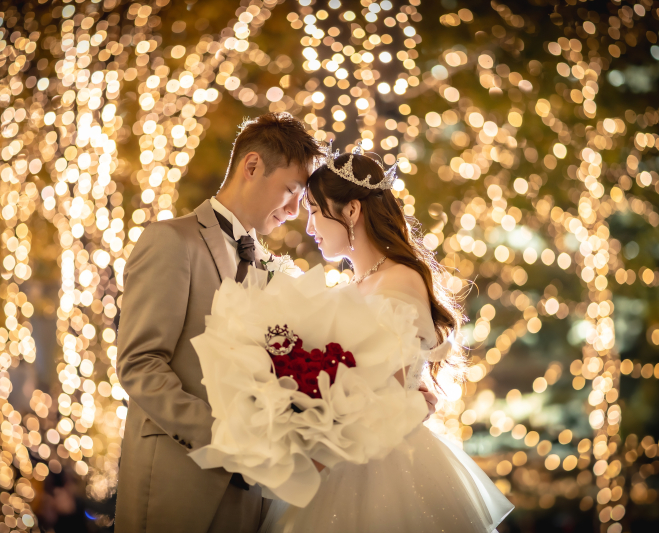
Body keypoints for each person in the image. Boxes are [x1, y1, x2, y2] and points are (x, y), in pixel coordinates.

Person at [114, 113, 439, 533]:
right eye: (290, 191)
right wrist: (229, 439)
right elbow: (140, 364)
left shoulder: (277, 271)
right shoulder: (173, 242)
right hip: (179, 482)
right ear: (251, 167)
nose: (292, 211)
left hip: (255, 499)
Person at [259, 149, 514, 532]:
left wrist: (315, 453)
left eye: (314, 210)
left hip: (381, 466)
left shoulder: (399, 281)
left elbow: (384, 396)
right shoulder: (356, 285)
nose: (310, 226)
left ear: (351, 211)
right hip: (338, 452)